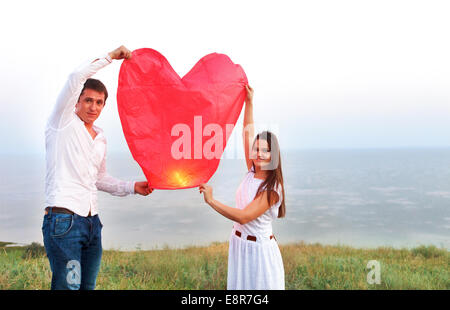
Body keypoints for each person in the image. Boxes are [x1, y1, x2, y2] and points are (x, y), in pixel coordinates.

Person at [42, 45, 153, 290]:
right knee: (68, 287)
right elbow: (75, 78)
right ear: (77, 102)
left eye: (99, 102)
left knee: (88, 286)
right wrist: (110, 57)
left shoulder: (100, 137)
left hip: (92, 223)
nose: (93, 107)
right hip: (64, 220)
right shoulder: (62, 123)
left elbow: (99, 178)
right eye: (88, 100)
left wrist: (133, 187)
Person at [199, 85, 286, 290]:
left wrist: (212, 201)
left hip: (259, 252)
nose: (258, 153)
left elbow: (244, 216)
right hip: (240, 246)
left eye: (265, 151)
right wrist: (249, 102)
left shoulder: (273, 188)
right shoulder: (252, 170)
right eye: (256, 148)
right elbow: (247, 132)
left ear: (273, 156)